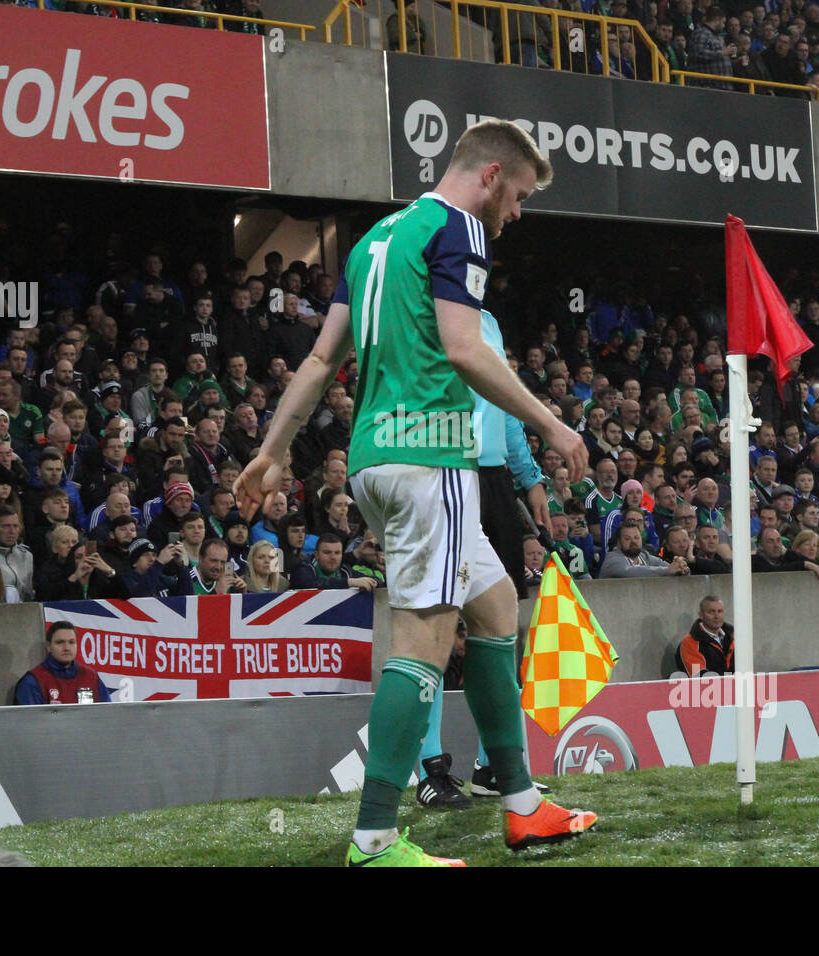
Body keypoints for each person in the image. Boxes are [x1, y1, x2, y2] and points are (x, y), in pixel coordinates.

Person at [234, 119, 593, 866]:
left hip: (373, 458)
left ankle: (523, 806)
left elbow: (318, 361)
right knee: (423, 642)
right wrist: (553, 424)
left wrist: (271, 452)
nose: (518, 213)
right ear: (491, 175)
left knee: (496, 609)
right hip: (431, 459)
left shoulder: (372, 242)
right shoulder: (459, 228)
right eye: (520, 195)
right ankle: (371, 839)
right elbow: (465, 350)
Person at [14, 621, 112, 705]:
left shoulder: (91, 677)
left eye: (71, 642)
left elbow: (108, 714)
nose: (66, 648)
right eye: (60, 642)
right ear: (49, 646)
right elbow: (31, 723)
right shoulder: (33, 681)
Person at [674, 595, 734, 677]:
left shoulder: (734, 637)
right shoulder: (690, 643)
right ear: (701, 615)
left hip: (735, 687)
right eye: (711, 612)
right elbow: (698, 676)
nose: (716, 616)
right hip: (708, 688)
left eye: (720, 611)